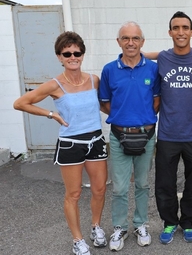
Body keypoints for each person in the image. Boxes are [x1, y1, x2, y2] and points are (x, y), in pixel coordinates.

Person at [13, 31, 108, 255]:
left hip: (96, 140)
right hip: (71, 144)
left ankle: (96, 227)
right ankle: (77, 239)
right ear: (59, 56)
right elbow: (21, 103)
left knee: (100, 189)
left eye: (77, 52)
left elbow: (104, 106)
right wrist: (50, 114)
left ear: (82, 54)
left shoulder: (94, 80)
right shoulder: (54, 85)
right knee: (73, 194)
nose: (72, 57)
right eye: (67, 53)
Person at [98, 21, 160, 252]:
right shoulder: (109, 70)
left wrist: (142, 119)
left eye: (135, 38)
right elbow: (105, 102)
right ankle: (119, 227)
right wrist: (123, 116)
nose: (130, 43)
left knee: (143, 184)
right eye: (126, 38)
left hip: (146, 135)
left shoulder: (152, 69)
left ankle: (140, 224)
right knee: (119, 187)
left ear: (142, 42)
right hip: (118, 135)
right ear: (119, 42)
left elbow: (156, 100)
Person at [154, 11, 192, 245]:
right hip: (167, 134)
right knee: (165, 183)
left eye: (185, 28)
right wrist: (124, 53)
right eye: (176, 28)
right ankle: (168, 222)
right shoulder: (163, 59)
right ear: (170, 32)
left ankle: (187, 222)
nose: (181, 32)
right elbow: (136, 56)